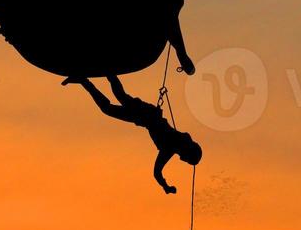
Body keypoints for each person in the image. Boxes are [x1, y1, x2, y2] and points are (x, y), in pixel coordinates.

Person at [64, 75, 203, 194]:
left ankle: (90, 79)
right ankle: (98, 76)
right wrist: (165, 186)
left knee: (113, 103)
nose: (183, 160)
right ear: (187, 153)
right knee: (116, 100)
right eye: (187, 159)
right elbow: (157, 172)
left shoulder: (173, 146)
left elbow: (157, 172)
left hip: (144, 116)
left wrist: (165, 186)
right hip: (144, 114)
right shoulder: (171, 147)